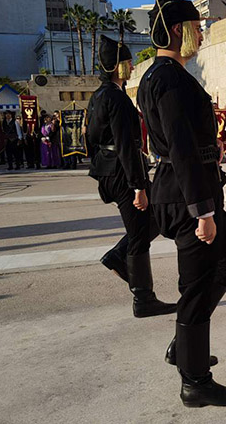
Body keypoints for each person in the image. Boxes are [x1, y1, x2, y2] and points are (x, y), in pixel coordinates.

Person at [137, 0, 226, 407]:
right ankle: (195, 381)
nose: (201, 35)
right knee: (198, 287)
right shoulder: (169, 79)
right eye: (196, 28)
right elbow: (181, 147)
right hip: (188, 196)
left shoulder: (160, 75)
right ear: (177, 31)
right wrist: (202, 211)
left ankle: (184, 348)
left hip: (187, 188)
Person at [87, 34, 176, 318]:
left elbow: (91, 139)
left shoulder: (98, 96)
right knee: (140, 233)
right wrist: (138, 186)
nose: (132, 67)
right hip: (123, 172)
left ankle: (118, 257)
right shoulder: (117, 98)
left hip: (110, 170)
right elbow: (126, 144)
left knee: (153, 220)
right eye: (127, 62)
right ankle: (143, 298)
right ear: (116, 66)